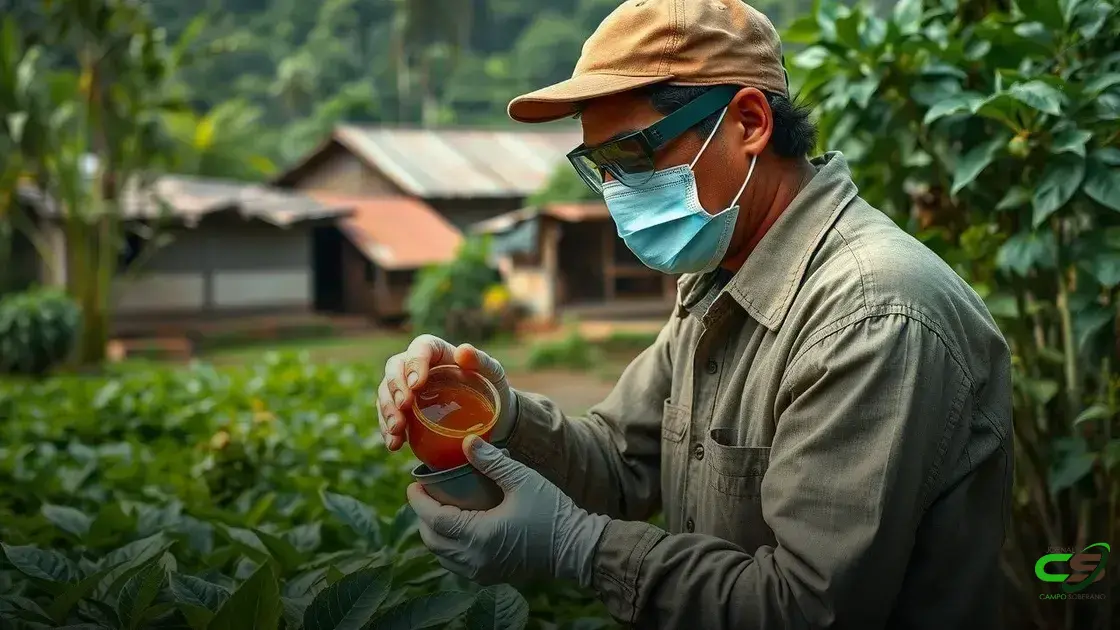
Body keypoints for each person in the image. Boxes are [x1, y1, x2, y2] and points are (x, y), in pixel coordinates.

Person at [377, 0, 1013, 627]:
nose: (620, 193)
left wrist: (581, 547)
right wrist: (501, 413)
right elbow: (621, 462)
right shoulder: (720, 277)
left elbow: (807, 606)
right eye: (602, 168)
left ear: (749, 122)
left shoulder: (870, 317)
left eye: (636, 155)